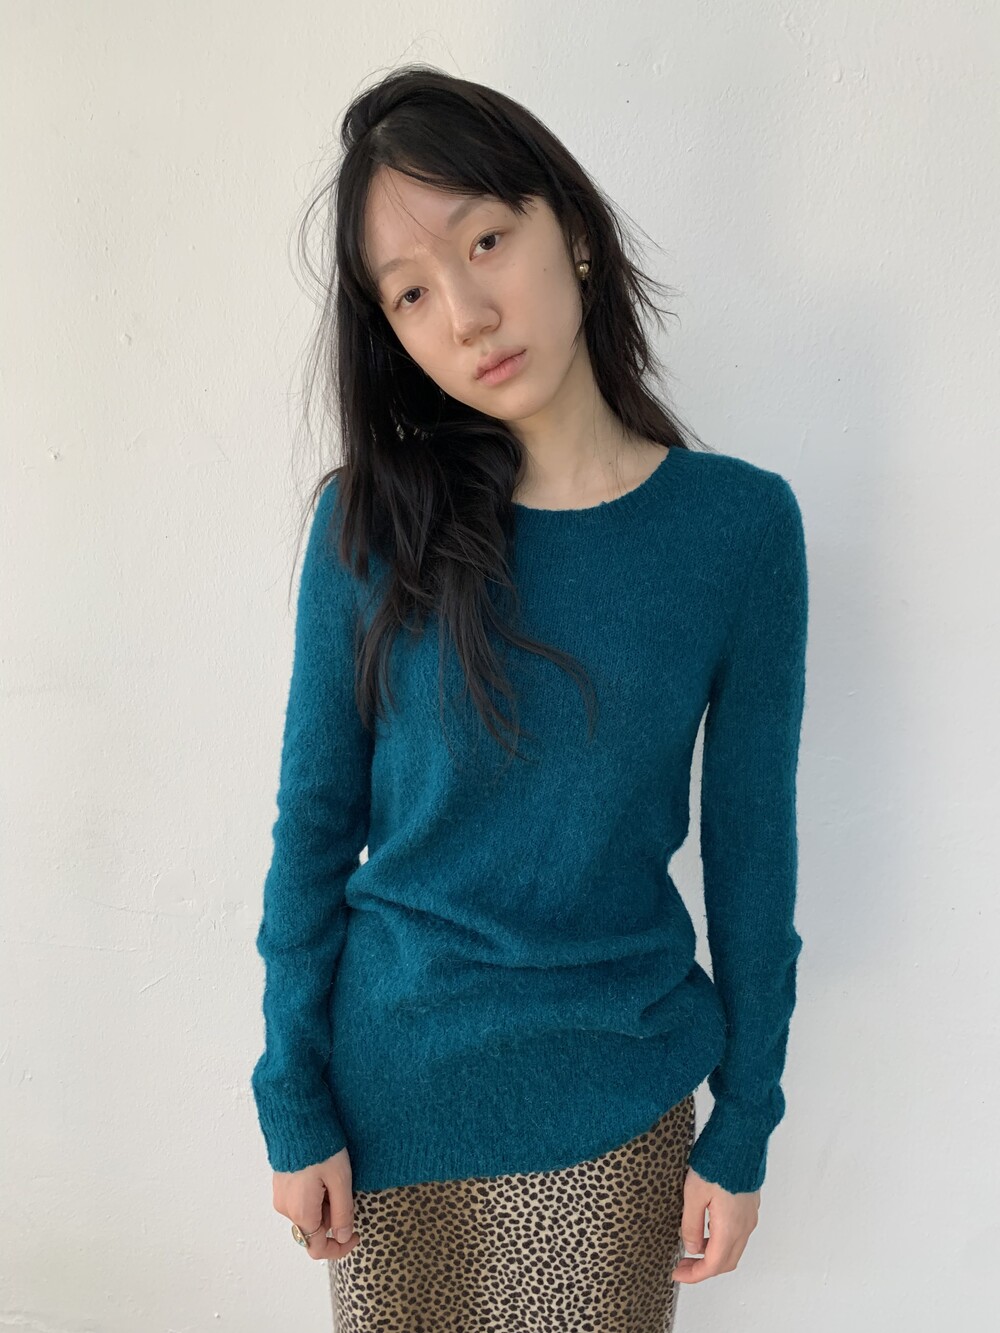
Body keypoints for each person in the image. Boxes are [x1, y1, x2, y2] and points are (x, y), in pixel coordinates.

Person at [250, 64, 809, 1332]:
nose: (464, 313)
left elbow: (752, 855)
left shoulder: (735, 530)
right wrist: (292, 1097)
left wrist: (745, 1125)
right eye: (409, 292)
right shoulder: (369, 526)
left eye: (485, 241)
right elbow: (313, 830)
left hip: (616, 1098)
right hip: (393, 1103)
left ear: (573, 231)